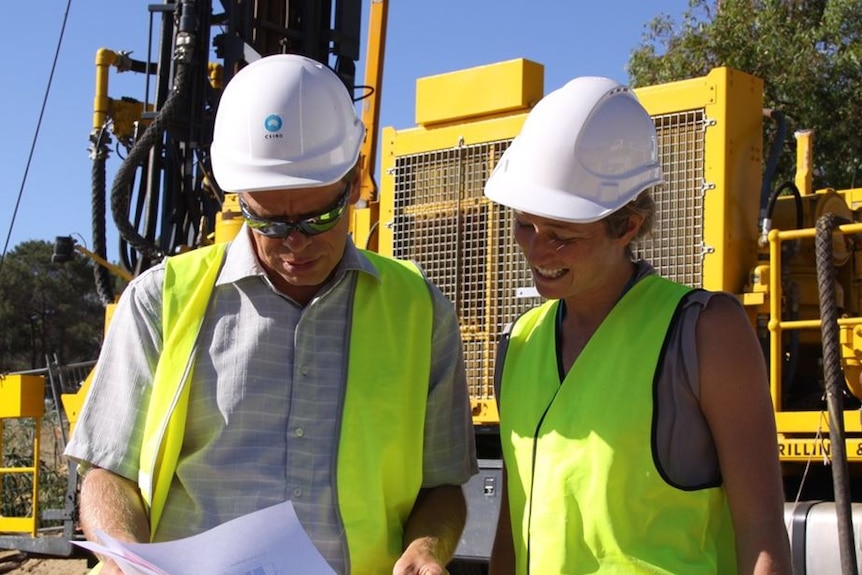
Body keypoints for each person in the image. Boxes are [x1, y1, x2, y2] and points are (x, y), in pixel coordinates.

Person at [64, 54, 478, 575]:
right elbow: (109, 473)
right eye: (270, 223)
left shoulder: (420, 312)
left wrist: (428, 547)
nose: (294, 244)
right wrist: (121, 550)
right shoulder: (160, 301)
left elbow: (442, 485)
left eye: (318, 217)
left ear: (353, 184)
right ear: (239, 198)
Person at [483, 76, 792, 575]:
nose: (537, 251)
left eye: (562, 235)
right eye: (525, 225)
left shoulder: (707, 333)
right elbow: (514, 530)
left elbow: (761, 532)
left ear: (627, 225)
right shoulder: (519, 343)